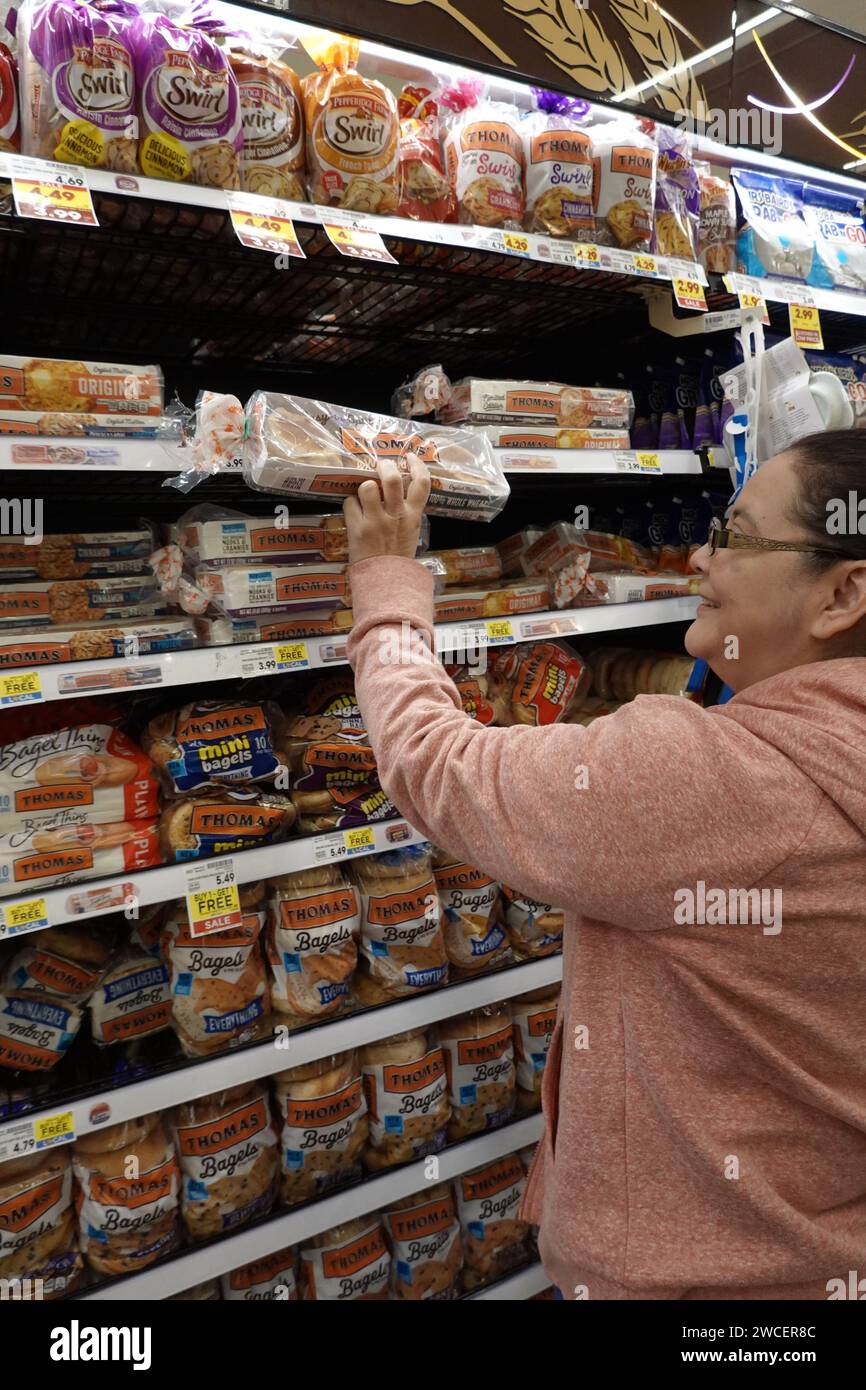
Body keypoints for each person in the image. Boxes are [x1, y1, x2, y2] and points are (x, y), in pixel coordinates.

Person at [343, 430, 866, 1301]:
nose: (700, 556)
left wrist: (390, 580)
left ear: (843, 592)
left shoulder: (719, 783)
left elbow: (436, 763)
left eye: (735, 536)